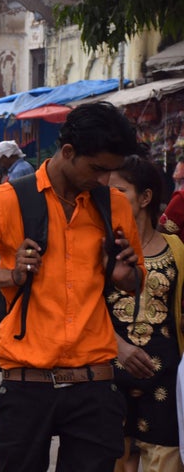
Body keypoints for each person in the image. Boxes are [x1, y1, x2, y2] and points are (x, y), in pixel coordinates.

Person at [0, 102, 145, 472]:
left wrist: (123, 274)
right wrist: (11, 277)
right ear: (67, 152)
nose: (104, 180)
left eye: (111, 171)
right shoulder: (6, 201)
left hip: (95, 383)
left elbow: (134, 283)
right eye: (97, 168)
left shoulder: (115, 206)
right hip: (27, 382)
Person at [108, 155, 184, 472]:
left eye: (120, 190)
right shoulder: (101, 247)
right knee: (112, 459)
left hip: (164, 374)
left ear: (146, 197)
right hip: (110, 371)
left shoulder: (177, 248)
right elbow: (85, 308)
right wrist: (119, 347)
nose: (111, 198)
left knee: (166, 461)